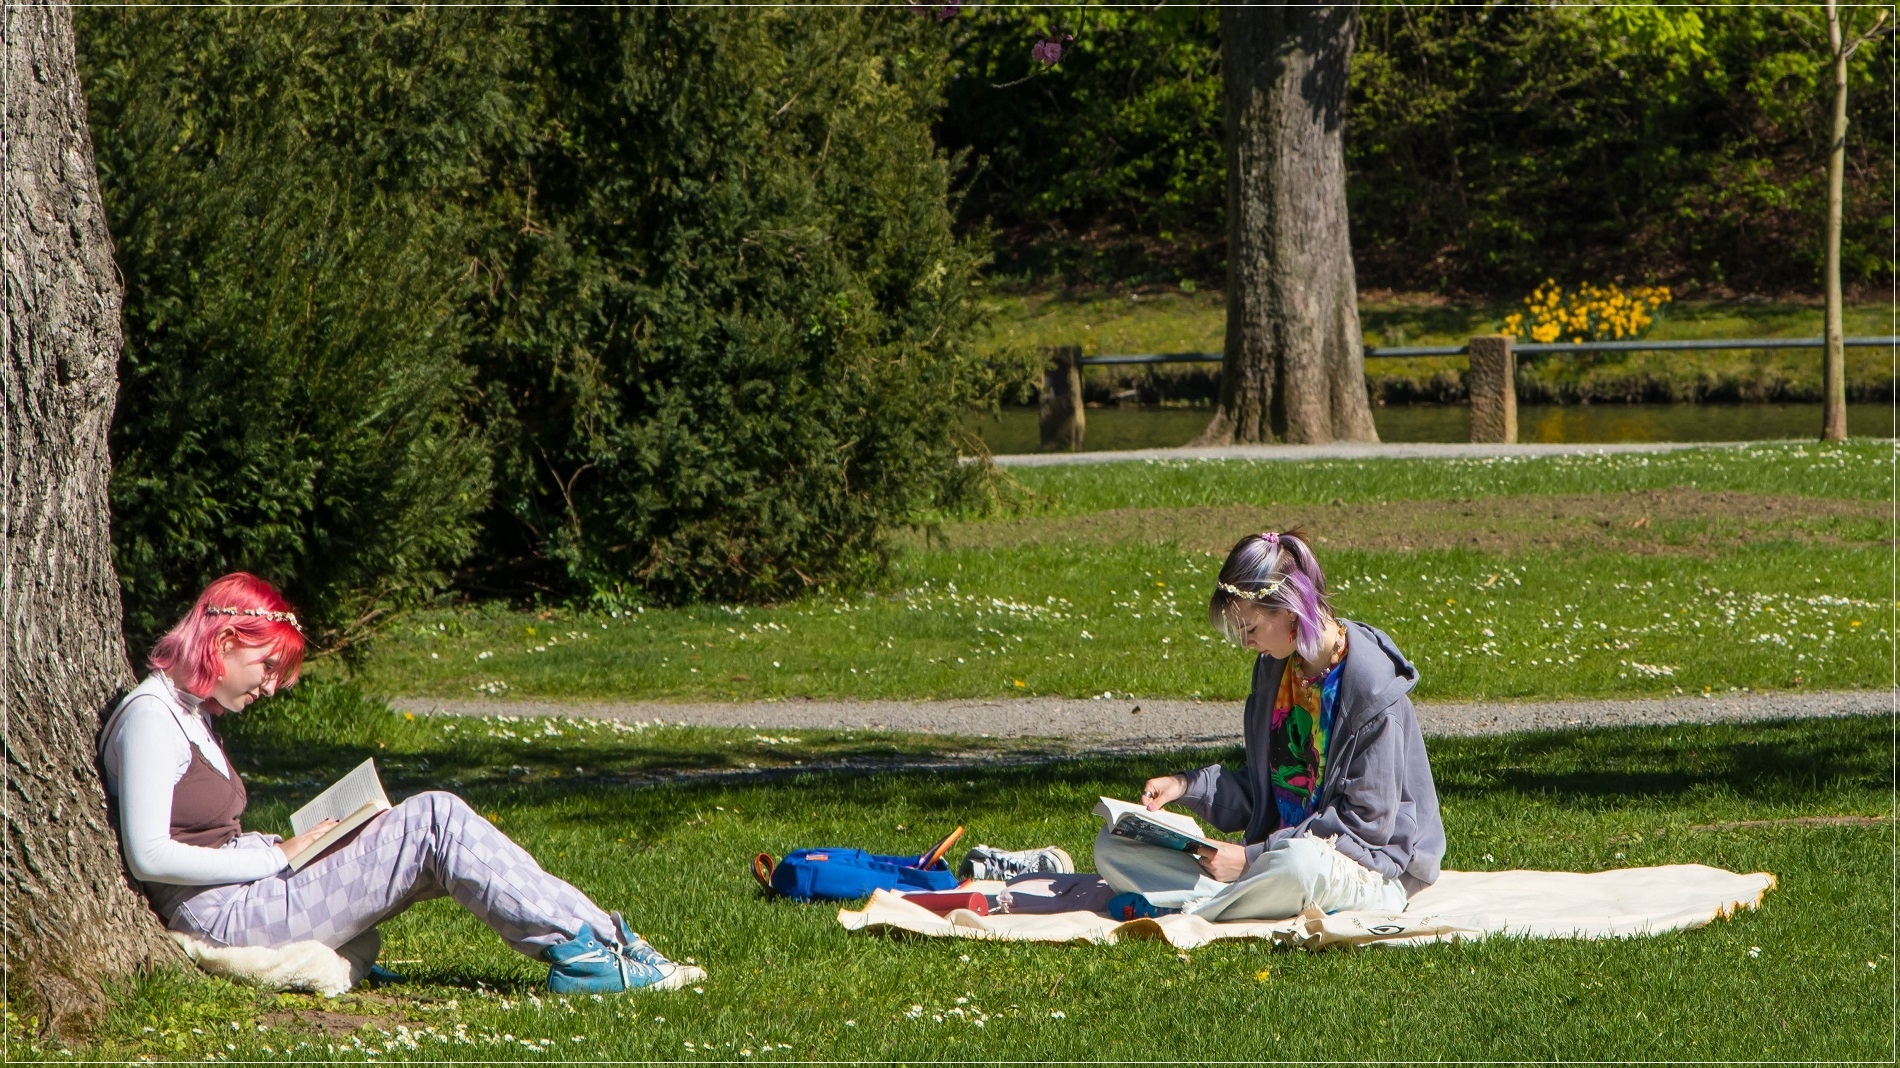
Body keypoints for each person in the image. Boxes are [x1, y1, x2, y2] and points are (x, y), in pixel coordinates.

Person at [99, 572, 703, 994]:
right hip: (224, 917)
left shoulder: (191, 711)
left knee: (424, 826)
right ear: (227, 641)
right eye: (268, 667)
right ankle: (597, 955)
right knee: (434, 819)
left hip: (245, 892)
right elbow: (149, 856)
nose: (273, 687)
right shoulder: (151, 718)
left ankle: (605, 944)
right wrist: (270, 856)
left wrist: (288, 848)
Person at [1096, 530, 1444, 922]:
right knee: (1111, 845)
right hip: (1274, 860)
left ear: (1292, 610)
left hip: (1371, 868)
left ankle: (1193, 908)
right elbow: (1270, 790)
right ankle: (1234, 897)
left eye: (1251, 630)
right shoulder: (1275, 668)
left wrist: (1248, 858)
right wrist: (1186, 785)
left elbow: (1364, 827)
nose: (1246, 644)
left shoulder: (1372, 690)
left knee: (1300, 866)